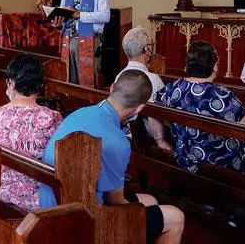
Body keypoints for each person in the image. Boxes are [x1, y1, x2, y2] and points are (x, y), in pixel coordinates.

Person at [39, 70, 185, 244]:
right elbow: (114, 200)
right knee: (175, 216)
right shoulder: (118, 142)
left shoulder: (79, 113)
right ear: (140, 107)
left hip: (53, 209)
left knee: (150, 200)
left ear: (112, 88)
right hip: (88, 221)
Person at [155, 41, 245, 175]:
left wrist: (161, 139)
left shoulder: (174, 89)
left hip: (184, 159)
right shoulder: (223, 97)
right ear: (215, 66)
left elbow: (151, 105)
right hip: (220, 167)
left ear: (188, 65)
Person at [0, 53, 62, 212]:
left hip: (0, 191)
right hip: (37, 199)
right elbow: (61, 161)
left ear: (11, 83)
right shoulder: (51, 118)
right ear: (40, 85)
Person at [52, 0, 110, 88]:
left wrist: (80, 15)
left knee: (88, 83)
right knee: (69, 80)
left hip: (90, 40)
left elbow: (105, 16)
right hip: (69, 40)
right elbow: (64, 19)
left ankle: (89, 108)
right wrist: (59, 25)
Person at [115, 26, 170, 150]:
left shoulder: (119, 76)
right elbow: (160, 114)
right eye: (150, 44)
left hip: (122, 133)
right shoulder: (153, 79)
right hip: (145, 139)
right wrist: (161, 141)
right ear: (147, 50)